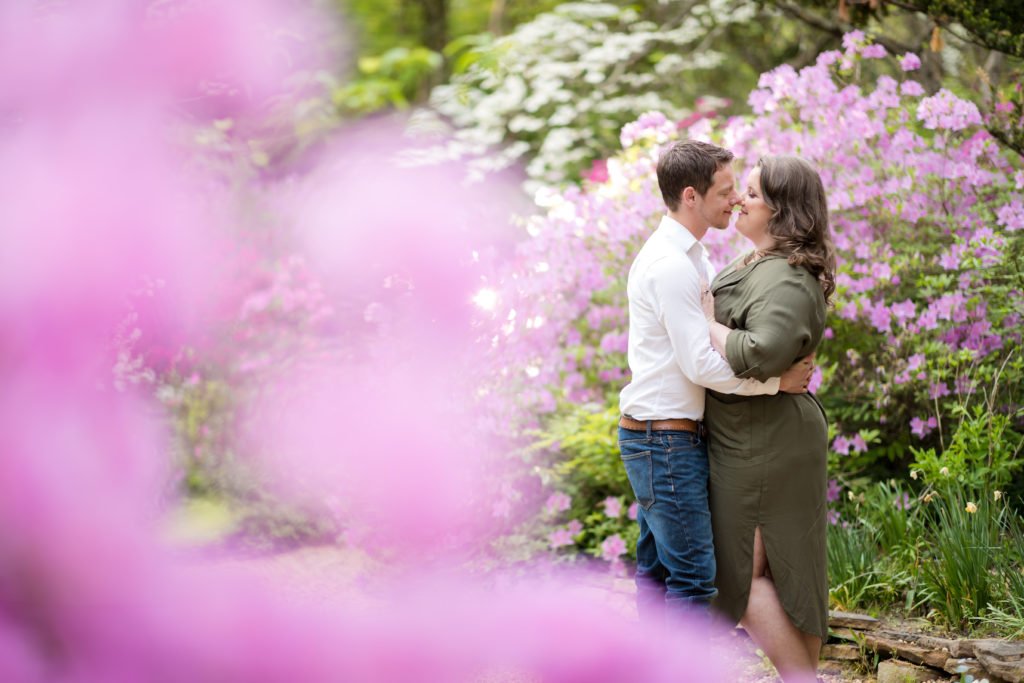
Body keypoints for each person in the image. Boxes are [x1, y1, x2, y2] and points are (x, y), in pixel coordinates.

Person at [617, 140, 814, 625]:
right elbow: (700, 366)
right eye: (727, 191)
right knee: (693, 578)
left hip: (663, 434)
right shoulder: (670, 266)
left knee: (659, 572)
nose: (736, 201)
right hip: (662, 438)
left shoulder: (693, 258)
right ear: (691, 195)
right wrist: (776, 383)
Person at [702, 155, 835, 682]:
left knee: (743, 574)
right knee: (778, 574)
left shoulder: (784, 277)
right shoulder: (757, 261)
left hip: (764, 439)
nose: (739, 199)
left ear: (783, 211)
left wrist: (706, 324)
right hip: (755, 432)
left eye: (752, 194)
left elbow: (761, 352)